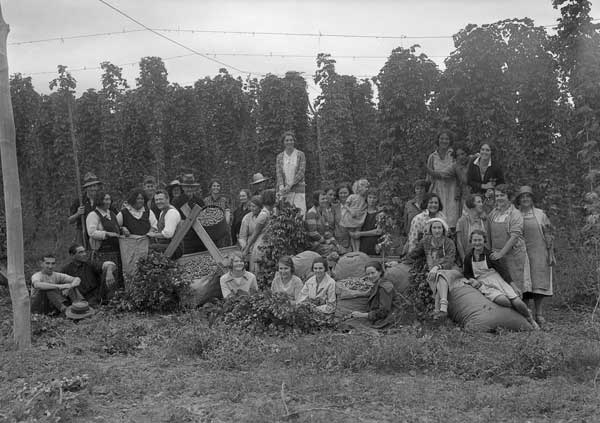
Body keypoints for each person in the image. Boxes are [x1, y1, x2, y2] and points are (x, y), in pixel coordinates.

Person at [463, 230, 539, 329]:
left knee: (516, 301)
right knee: (504, 301)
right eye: (475, 240)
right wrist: (472, 280)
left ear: (484, 240)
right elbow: (467, 273)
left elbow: (503, 272)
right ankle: (519, 313)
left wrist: (514, 286)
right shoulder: (469, 257)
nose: (477, 243)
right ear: (471, 241)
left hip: (497, 280)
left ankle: (530, 318)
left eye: (479, 240)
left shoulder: (490, 255)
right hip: (483, 283)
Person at [515, 186, 555, 326]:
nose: (525, 199)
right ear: (519, 200)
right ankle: (526, 313)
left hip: (538, 251)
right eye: (522, 197)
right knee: (524, 285)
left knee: (538, 284)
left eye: (528, 196)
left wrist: (550, 253)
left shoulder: (540, 214)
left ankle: (539, 313)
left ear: (532, 199)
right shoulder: (515, 214)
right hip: (521, 253)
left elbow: (549, 234)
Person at [406, 218, 456, 318]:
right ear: (430, 229)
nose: (437, 230)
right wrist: (400, 260)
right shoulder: (426, 241)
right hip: (430, 270)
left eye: (439, 228)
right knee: (428, 280)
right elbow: (414, 253)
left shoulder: (449, 242)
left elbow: (450, 260)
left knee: (440, 276)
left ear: (443, 229)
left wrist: (437, 267)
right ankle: (440, 311)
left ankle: (441, 309)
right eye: (434, 228)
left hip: (446, 269)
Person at [488, 184, 531, 297]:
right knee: (501, 287)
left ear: (509, 197)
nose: (499, 198)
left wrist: (501, 254)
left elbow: (514, 236)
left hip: (513, 256)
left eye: (502, 195)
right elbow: (488, 234)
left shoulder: (515, 214)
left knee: (515, 287)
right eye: (497, 195)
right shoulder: (494, 213)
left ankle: (522, 312)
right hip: (497, 256)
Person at [347, 261, 403, 328]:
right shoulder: (377, 283)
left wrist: (363, 315)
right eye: (368, 274)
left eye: (373, 273)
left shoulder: (384, 287)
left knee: (353, 325)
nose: (370, 276)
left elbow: (384, 311)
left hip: (389, 319)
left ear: (380, 272)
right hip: (380, 316)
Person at [30, 253, 86, 317]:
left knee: (71, 285)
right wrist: (60, 286)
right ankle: (65, 311)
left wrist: (70, 287)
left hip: (52, 304)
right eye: (47, 263)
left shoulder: (57, 275)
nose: (50, 266)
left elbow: (77, 279)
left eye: (53, 263)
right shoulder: (37, 275)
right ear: (41, 264)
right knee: (48, 289)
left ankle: (80, 306)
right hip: (39, 307)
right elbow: (37, 285)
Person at [85, 190, 123, 287]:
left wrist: (123, 229)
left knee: (117, 279)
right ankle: (105, 301)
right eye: (105, 199)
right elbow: (91, 232)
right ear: (99, 200)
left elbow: (117, 228)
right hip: (101, 253)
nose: (108, 202)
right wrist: (107, 234)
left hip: (115, 251)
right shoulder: (93, 215)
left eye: (109, 199)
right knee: (106, 280)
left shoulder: (112, 214)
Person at [426, 130, 460, 228]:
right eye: (442, 138)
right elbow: (429, 177)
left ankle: (452, 241)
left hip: (452, 190)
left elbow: (459, 173)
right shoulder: (432, 157)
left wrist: (459, 188)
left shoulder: (454, 155)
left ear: (450, 141)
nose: (444, 141)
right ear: (438, 140)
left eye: (447, 139)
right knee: (438, 217)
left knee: (453, 218)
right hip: (437, 190)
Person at [68, 172, 106, 248]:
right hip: (82, 232)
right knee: (81, 254)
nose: (93, 188)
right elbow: (70, 220)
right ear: (86, 188)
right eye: (90, 186)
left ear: (97, 187)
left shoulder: (103, 199)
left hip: (98, 232)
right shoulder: (79, 201)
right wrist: (78, 214)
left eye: (94, 186)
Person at [276, 130, 307, 215]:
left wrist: (290, 185)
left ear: (294, 141)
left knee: (300, 214)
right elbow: (279, 173)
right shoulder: (279, 157)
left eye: (291, 140)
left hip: (298, 189)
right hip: (285, 191)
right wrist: (282, 188)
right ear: (283, 142)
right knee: (286, 215)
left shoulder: (300, 154)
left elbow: (301, 172)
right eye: (287, 140)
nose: (289, 142)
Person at [147, 190, 183, 260]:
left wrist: (153, 235)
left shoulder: (171, 212)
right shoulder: (163, 212)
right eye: (156, 200)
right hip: (167, 245)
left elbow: (168, 234)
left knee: (146, 249)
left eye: (161, 199)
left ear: (167, 199)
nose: (158, 202)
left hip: (175, 247)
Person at [238, 195, 270, 273]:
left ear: (260, 207)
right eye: (251, 206)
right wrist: (244, 246)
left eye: (254, 206)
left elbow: (259, 233)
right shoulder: (247, 218)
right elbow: (242, 236)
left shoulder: (264, 216)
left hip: (261, 243)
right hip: (249, 244)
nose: (252, 208)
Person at [455, 193, 490, 263]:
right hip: (469, 259)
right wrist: (464, 259)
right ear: (471, 204)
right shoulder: (462, 221)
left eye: (481, 202)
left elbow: (489, 240)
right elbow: (459, 242)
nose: (482, 204)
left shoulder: (485, 220)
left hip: (485, 259)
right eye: (479, 202)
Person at [179, 174, 207, 254]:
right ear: (183, 188)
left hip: (199, 237)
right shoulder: (176, 201)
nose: (189, 189)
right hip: (184, 238)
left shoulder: (199, 201)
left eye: (191, 187)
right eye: (187, 187)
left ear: (194, 188)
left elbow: (204, 217)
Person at [305, 190, 339, 256]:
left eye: (326, 198)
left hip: (322, 243)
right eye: (322, 199)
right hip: (313, 244)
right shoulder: (312, 213)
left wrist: (335, 243)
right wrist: (326, 242)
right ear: (316, 200)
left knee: (336, 248)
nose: (325, 200)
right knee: (331, 251)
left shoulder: (323, 213)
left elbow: (327, 232)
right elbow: (313, 233)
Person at [340, 178, 370, 252]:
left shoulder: (365, 198)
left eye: (366, 188)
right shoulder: (352, 196)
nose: (365, 189)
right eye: (363, 187)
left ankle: (357, 251)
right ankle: (355, 251)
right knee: (352, 235)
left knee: (357, 236)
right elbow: (346, 205)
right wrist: (351, 211)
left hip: (359, 218)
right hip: (351, 218)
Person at [352, 189, 383, 256]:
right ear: (366, 198)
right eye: (370, 197)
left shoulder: (380, 213)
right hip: (362, 244)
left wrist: (361, 233)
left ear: (377, 199)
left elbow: (379, 231)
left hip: (374, 244)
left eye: (374, 198)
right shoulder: (361, 212)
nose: (372, 200)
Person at [333, 182, 353, 250]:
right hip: (338, 242)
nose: (343, 195)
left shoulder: (354, 206)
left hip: (352, 241)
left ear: (350, 194)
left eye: (345, 193)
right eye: (341, 193)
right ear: (338, 194)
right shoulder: (334, 208)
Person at [453, 145, 472, 215]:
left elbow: (466, 180)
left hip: (477, 196)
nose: (461, 157)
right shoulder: (456, 166)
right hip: (465, 197)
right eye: (458, 155)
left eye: (463, 154)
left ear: (467, 153)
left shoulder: (474, 161)